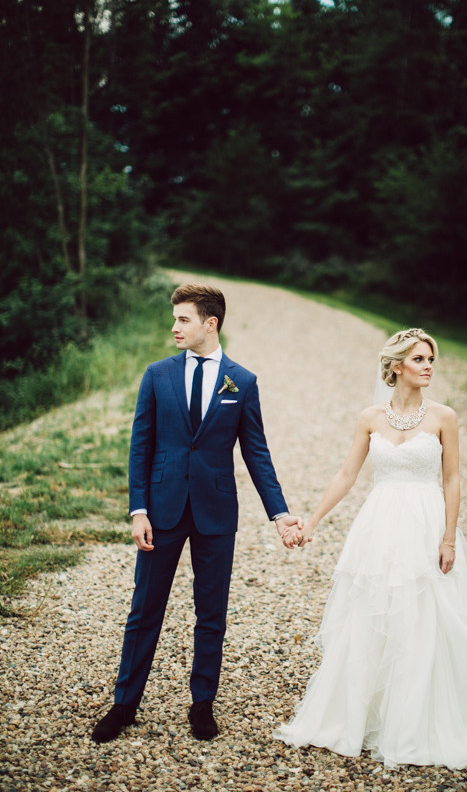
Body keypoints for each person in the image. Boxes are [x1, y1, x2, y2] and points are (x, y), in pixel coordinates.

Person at [275, 328, 467, 770]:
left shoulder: (444, 417)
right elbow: (347, 475)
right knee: (372, 615)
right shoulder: (370, 417)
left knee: (426, 616)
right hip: (379, 525)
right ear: (397, 365)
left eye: (430, 360)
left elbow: (452, 479)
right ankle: (358, 716)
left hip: (426, 523)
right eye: (420, 359)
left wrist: (448, 537)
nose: (428, 367)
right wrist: (312, 520)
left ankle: (420, 724)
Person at [93, 283, 303, 743]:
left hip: (215, 513)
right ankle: (125, 704)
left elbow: (257, 454)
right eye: (174, 318)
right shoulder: (157, 375)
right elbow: (140, 446)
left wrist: (279, 513)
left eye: (183, 319)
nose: (174, 327)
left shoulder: (241, 382)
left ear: (210, 323)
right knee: (144, 609)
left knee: (211, 613)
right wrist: (138, 509)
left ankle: (202, 703)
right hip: (162, 512)